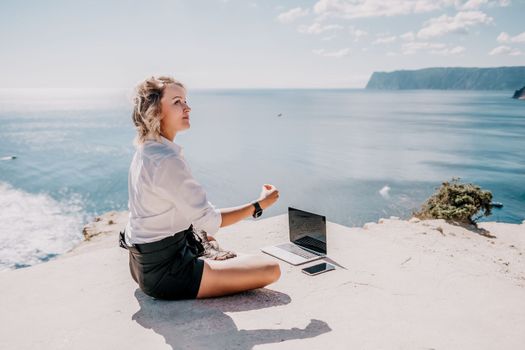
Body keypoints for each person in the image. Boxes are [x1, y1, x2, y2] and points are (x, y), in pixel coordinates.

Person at [121, 75, 281, 300]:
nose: (187, 107)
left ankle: (213, 260)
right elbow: (210, 221)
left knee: (209, 239)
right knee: (270, 268)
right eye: (177, 102)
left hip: (141, 264)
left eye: (185, 100)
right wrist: (259, 204)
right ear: (155, 111)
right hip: (167, 274)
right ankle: (214, 262)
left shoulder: (148, 150)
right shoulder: (166, 160)